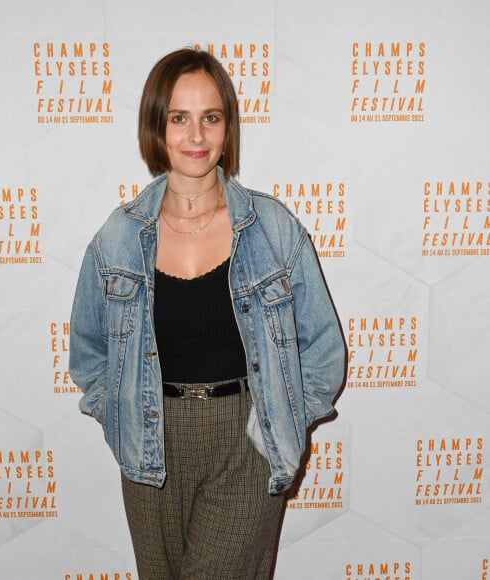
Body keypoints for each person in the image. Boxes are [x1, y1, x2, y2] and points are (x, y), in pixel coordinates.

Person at [69, 48, 346, 579]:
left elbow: (323, 350)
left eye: (210, 118)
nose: (196, 136)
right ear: (157, 126)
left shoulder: (273, 229)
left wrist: (278, 422)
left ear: (227, 127)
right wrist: (122, 418)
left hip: (245, 438)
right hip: (152, 446)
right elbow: (89, 354)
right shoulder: (118, 237)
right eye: (179, 118)